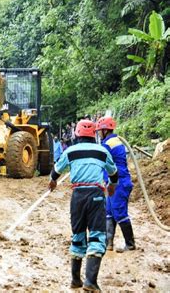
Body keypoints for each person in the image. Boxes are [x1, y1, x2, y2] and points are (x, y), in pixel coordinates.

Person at [48, 119, 118, 291]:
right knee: (97, 236)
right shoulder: (102, 151)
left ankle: (75, 280)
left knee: (78, 236)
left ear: (77, 134)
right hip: (95, 195)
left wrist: (52, 182)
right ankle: (90, 282)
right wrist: (111, 186)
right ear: (94, 134)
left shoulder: (70, 151)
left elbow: (56, 171)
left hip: (77, 197)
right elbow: (114, 174)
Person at [96, 116, 136, 253]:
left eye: (99, 131)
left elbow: (99, 160)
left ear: (105, 130)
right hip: (114, 183)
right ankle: (109, 244)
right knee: (109, 212)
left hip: (119, 183)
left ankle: (130, 244)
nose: (98, 134)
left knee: (119, 213)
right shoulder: (113, 140)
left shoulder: (108, 144)